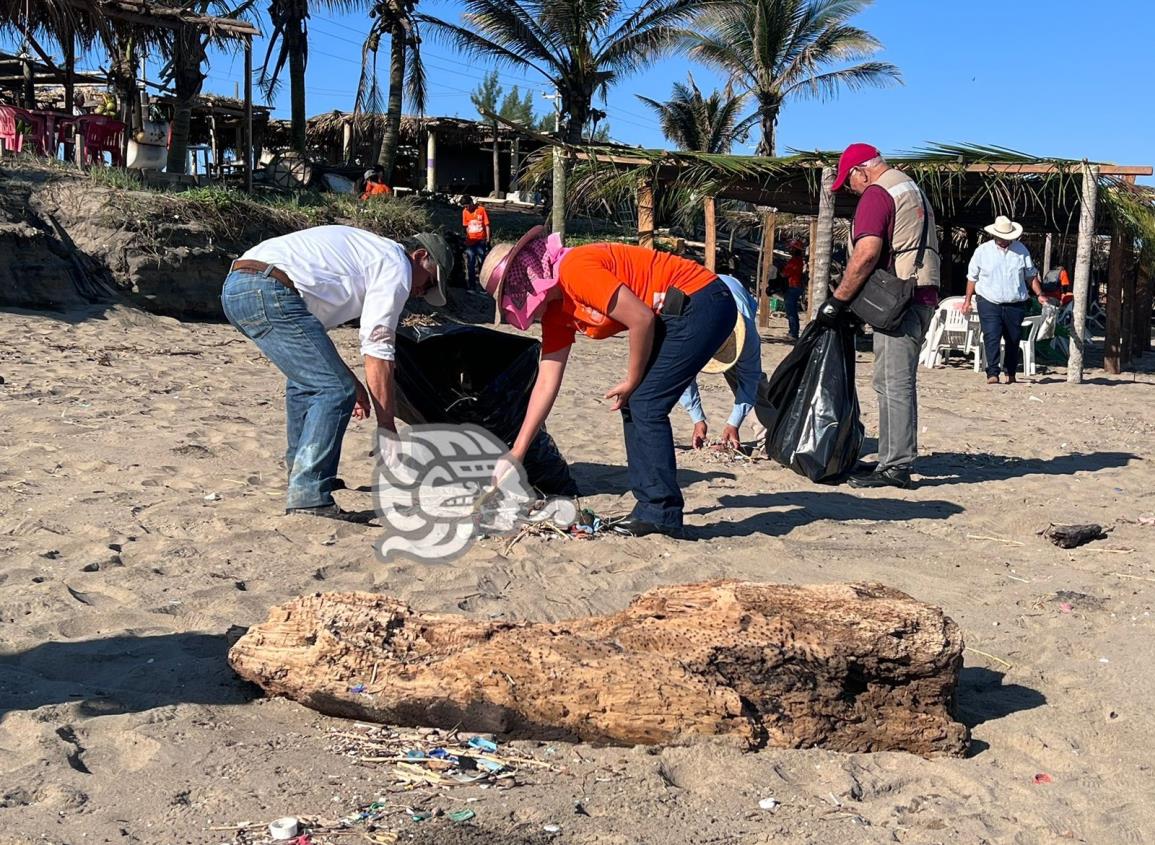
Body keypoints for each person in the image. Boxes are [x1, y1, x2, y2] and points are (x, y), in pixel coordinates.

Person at [481, 228, 737, 538]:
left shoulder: (574, 270)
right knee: (639, 403)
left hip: (702, 299)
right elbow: (547, 380)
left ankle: (660, 514)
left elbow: (641, 318)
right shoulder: (556, 313)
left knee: (645, 401)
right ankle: (653, 510)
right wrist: (517, 452)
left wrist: (632, 379)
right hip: (677, 310)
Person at [220, 225, 453, 520]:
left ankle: (303, 473)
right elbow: (378, 348)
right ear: (419, 256)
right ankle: (309, 493)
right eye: (429, 283)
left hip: (239, 287)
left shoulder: (368, 253)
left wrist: (353, 381)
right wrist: (386, 428)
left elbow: (312, 341)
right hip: (268, 288)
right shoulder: (396, 265)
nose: (421, 292)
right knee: (333, 390)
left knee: (306, 384)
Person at [819, 143, 940, 490]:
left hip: (899, 299)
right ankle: (892, 457)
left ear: (862, 170)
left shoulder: (877, 193)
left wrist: (839, 299)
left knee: (893, 382)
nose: (850, 189)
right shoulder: (909, 186)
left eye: (849, 182)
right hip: (921, 293)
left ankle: (896, 466)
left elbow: (867, 253)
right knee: (895, 380)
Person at [678, 275, 764, 451]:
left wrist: (734, 423)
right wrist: (697, 419)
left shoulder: (748, 338)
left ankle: (767, 436)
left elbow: (750, 380)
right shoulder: (686, 329)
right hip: (701, 291)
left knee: (753, 384)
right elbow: (683, 376)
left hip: (737, 294)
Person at [963, 216, 1047, 385]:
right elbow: (972, 278)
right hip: (988, 300)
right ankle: (992, 373)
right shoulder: (982, 251)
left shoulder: (1021, 250)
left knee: (1013, 338)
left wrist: (1039, 294)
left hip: (1015, 302)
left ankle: (1010, 372)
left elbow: (1030, 275)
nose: (1004, 240)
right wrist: (967, 300)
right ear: (994, 235)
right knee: (991, 335)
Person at [461, 196, 491, 291]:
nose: (467, 208)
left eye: (468, 205)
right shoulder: (465, 212)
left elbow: (487, 225)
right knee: (470, 263)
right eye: (465, 206)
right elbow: (466, 226)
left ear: (471, 202)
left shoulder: (481, 210)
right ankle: (472, 286)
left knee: (482, 263)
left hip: (481, 240)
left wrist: (488, 239)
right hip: (470, 241)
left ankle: (483, 286)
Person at [782, 239, 807, 339]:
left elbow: (785, 274)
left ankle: (793, 333)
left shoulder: (794, 261)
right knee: (792, 311)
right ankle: (792, 331)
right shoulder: (799, 260)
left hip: (793, 287)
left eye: (791, 248)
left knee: (791, 311)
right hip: (796, 287)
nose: (790, 250)